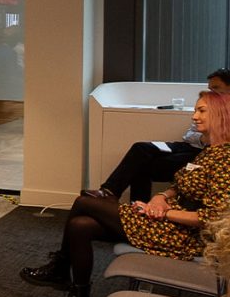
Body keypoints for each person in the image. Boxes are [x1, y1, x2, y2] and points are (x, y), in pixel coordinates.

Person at [21, 90, 230, 297]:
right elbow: (181, 186)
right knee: (79, 225)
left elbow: (213, 219)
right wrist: (161, 197)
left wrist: (162, 213)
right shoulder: (210, 151)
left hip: (182, 235)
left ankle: (62, 266)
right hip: (168, 222)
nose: (194, 116)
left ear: (221, 114)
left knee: (84, 202)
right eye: (195, 110)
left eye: (201, 111)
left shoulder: (225, 160)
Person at [81, 69, 230, 202]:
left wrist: (208, 139)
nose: (211, 92)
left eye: (216, 88)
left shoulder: (223, 111)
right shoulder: (206, 104)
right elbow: (189, 135)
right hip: (189, 145)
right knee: (141, 148)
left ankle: (135, 209)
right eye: (210, 88)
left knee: (142, 166)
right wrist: (203, 138)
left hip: (202, 154)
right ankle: (109, 192)